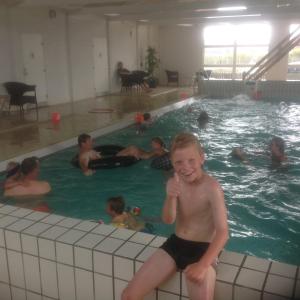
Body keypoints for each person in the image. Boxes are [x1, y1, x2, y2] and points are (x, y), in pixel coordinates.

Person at [122, 133, 229, 300]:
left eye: (191, 160)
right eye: (178, 162)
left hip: (203, 249)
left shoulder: (212, 188)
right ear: (172, 162)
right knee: (128, 296)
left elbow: (223, 232)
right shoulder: (175, 182)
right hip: (175, 244)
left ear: (202, 158)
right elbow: (168, 220)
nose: (185, 167)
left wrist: (203, 265)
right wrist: (170, 196)